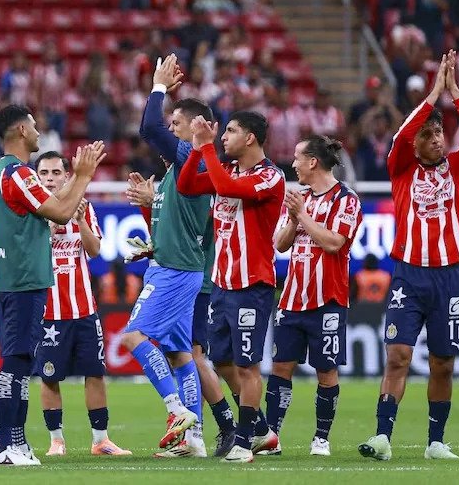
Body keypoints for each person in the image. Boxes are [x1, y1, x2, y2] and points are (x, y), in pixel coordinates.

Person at [360, 50, 459, 462]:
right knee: (398, 356)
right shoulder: (401, 167)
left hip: (449, 277)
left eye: (439, 134)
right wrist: (432, 95)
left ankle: (435, 442)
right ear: (415, 143)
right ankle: (383, 436)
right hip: (409, 276)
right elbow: (401, 136)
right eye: (428, 135)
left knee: (443, 362)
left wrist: (455, 92)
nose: (436, 140)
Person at [125, 55, 237, 458]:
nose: (169, 130)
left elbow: (148, 128)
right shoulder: (180, 170)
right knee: (180, 352)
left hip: (176, 272)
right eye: (171, 124)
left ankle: (178, 411)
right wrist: (150, 208)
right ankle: (194, 440)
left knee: (134, 336)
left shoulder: (190, 156)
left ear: (194, 127)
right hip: (175, 265)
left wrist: (158, 86)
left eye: (176, 124)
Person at [0, 104, 103, 466]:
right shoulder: (20, 174)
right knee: (15, 363)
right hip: (24, 279)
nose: (39, 132)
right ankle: (6, 446)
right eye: (34, 126)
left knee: (19, 362)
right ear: (22, 131)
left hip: (14, 278)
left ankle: (15, 442)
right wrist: (82, 176)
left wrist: (76, 181)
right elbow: (62, 212)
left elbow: (53, 208)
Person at [177, 109, 285, 464]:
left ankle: (243, 441)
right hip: (222, 284)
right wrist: (197, 148)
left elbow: (225, 188)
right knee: (222, 361)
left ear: (250, 137)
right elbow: (187, 185)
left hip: (252, 284)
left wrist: (207, 147)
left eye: (231, 131)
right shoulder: (229, 170)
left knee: (247, 366)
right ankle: (263, 431)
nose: (223, 137)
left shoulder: (270, 176)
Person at [270, 135, 363, 457]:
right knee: (281, 367)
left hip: (328, 301)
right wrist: (294, 217)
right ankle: (271, 436)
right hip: (292, 299)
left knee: (326, 371)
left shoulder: (346, 199)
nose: (293, 164)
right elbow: (280, 244)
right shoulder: (300, 198)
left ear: (313, 162)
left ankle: (321, 438)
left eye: (298, 158)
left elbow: (334, 243)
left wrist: (303, 217)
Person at [34, 151, 130, 457]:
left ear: (67, 176)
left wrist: (79, 221)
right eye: (44, 173)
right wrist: (51, 227)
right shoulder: (32, 210)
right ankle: (56, 441)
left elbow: (95, 250)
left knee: (95, 373)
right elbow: (30, 255)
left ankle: (101, 440)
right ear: (37, 177)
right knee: (49, 376)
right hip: (48, 311)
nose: (50, 179)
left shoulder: (83, 206)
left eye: (55, 173)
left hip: (84, 308)